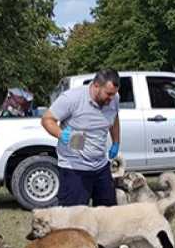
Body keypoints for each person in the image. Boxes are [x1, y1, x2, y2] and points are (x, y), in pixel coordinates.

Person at [40, 69, 121, 206]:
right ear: (96, 86)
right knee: (73, 218)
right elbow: (47, 119)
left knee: (108, 216)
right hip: (74, 167)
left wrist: (116, 142)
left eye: (114, 94)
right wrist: (61, 134)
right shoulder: (72, 98)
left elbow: (115, 118)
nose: (111, 98)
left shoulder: (113, 99)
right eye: (108, 94)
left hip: (100, 166)